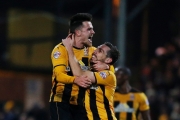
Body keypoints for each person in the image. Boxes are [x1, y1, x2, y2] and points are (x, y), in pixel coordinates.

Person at [49, 13, 112, 120]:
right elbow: (59, 75)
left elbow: (109, 67)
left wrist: (106, 68)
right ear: (78, 32)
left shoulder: (92, 51)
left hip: (82, 104)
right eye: (89, 29)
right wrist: (75, 80)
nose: (93, 32)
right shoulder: (60, 49)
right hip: (61, 102)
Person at [62, 35, 120, 120]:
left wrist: (69, 48)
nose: (95, 51)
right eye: (97, 48)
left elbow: (79, 73)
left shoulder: (108, 75)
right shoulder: (93, 71)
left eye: (100, 51)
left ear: (108, 60)